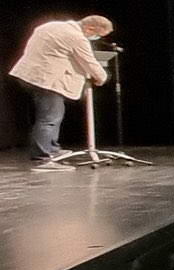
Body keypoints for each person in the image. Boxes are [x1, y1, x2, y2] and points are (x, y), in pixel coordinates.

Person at [10, 15, 113, 161]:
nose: (95, 38)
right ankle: (43, 155)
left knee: (50, 115)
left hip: (27, 75)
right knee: (49, 118)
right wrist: (102, 78)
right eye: (97, 35)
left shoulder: (49, 26)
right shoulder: (77, 37)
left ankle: (51, 148)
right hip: (46, 80)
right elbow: (89, 62)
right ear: (89, 29)